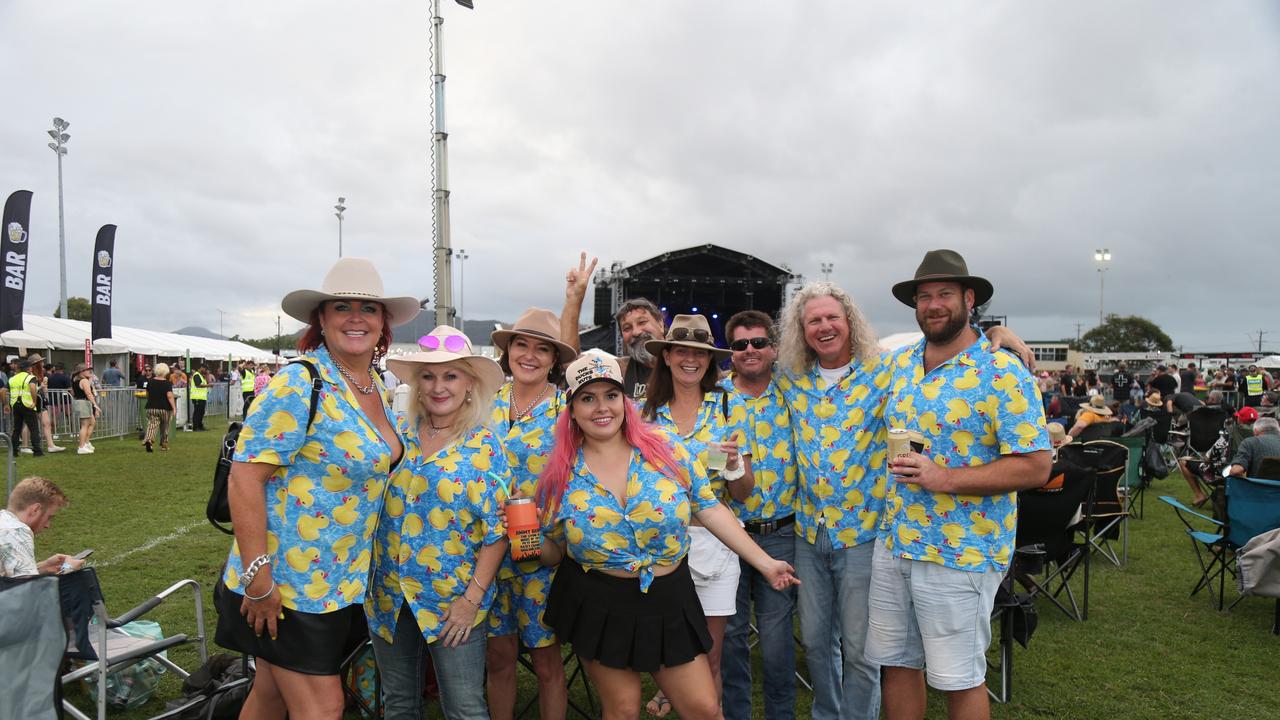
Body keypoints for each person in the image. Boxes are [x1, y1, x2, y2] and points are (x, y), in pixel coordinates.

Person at [774, 275, 1034, 720]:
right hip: (836, 534)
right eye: (813, 320)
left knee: (877, 655)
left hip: (876, 533)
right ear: (801, 330)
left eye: (832, 316)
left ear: (850, 321)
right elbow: (740, 375)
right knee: (847, 650)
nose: (824, 326)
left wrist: (995, 334)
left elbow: (953, 346)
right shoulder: (793, 379)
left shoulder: (885, 369)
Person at [536, 353, 799, 720]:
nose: (601, 408)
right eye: (587, 398)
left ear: (625, 402)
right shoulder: (560, 474)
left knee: (705, 708)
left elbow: (709, 508)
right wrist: (528, 537)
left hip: (668, 598)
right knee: (624, 709)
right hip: (599, 602)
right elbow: (553, 552)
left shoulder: (665, 448)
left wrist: (766, 563)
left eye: (611, 396)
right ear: (573, 409)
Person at [215, 257, 418, 720]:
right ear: (321, 321)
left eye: (368, 308)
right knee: (324, 707)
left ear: (383, 323)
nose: (355, 317)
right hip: (287, 583)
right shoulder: (300, 380)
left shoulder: (374, 387)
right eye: (341, 306)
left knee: (269, 695)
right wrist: (259, 580)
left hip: (340, 583)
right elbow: (245, 478)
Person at [870, 249, 1051, 720]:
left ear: (969, 298)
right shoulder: (901, 364)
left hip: (961, 552)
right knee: (897, 666)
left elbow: (1035, 467)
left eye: (945, 294)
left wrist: (944, 478)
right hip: (895, 543)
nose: (933, 304)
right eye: (924, 296)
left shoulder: (1002, 371)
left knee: (959, 678)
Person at [367, 325, 510, 720]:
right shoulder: (398, 435)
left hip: (453, 602)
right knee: (398, 705)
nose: (437, 386)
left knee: (464, 709)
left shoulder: (485, 446)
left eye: (450, 375)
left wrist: (471, 601)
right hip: (389, 596)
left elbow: (498, 534)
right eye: (427, 376)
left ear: (469, 384)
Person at [639, 314, 745, 716]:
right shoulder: (644, 414)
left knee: (709, 659)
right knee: (667, 659)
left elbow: (742, 490)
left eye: (699, 353)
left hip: (715, 544)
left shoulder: (727, 406)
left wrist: (734, 465)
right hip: (662, 547)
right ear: (666, 356)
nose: (690, 359)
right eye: (681, 350)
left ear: (709, 360)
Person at [485, 308, 578, 720]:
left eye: (543, 349)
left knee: (546, 664)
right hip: (487, 549)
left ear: (555, 360)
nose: (530, 356)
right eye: (522, 344)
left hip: (540, 551)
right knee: (499, 658)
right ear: (508, 351)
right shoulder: (484, 402)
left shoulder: (567, 410)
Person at [719, 310, 799, 720]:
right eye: (739, 344)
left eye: (758, 343)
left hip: (780, 534)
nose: (749, 351)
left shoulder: (795, 388)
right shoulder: (714, 398)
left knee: (777, 643)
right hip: (728, 536)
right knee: (730, 641)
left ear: (773, 347)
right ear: (729, 352)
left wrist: (998, 332)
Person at [0, 477, 85, 577]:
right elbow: (26, 590)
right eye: (49, 517)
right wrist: (67, 568)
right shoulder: (16, 532)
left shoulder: (4, 522)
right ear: (35, 510)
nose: (47, 525)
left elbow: (12, 580)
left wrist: (44, 567)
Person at [615, 298, 665, 401]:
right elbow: (574, 367)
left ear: (661, 324)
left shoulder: (684, 362)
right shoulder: (620, 369)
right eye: (627, 328)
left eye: (642, 322)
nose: (636, 332)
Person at [9, 355, 45, 458]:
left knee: (17, 428)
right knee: (33, 428)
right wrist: (34, 401)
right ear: (29, 368)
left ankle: (14, 451)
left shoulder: (13, 378)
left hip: (15, 404)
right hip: (28, 405)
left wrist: (6, 404)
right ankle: (37, 451)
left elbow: (3, 390)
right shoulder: (30, 377)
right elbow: (33, 388)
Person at [143, 363, 176, 452]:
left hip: (151, 407)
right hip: (165, 408)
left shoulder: (150, 382)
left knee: (152, 425)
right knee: (165, 426)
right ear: (166, 372)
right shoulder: (167, 383)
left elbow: (147, 394)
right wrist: (174, 407)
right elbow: (169, 396)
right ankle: (163, 444)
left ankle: (149, 440)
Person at [71, 363, 100, 455]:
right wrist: (95, 405)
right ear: (81, 372)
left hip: (81, 402)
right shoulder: (84, 381)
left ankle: (86, 443)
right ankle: (81, 446)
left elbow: (73, 392)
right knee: (85, 425)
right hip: (84, 403)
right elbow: (88, 393)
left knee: (91, 422)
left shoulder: (76, 380)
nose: (89, 371)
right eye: (87, 370)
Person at [190, 363, 209, 431]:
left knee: (201, 412)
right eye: (205, 369)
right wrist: (208, 385)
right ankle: (196, 427)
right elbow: (198, 385)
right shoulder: (196, 375)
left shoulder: (201, 376)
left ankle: (200, 426)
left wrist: (207, 375)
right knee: (197, 412)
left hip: (202, 397)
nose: (205, 370)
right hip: (197, 397)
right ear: (201, 368)